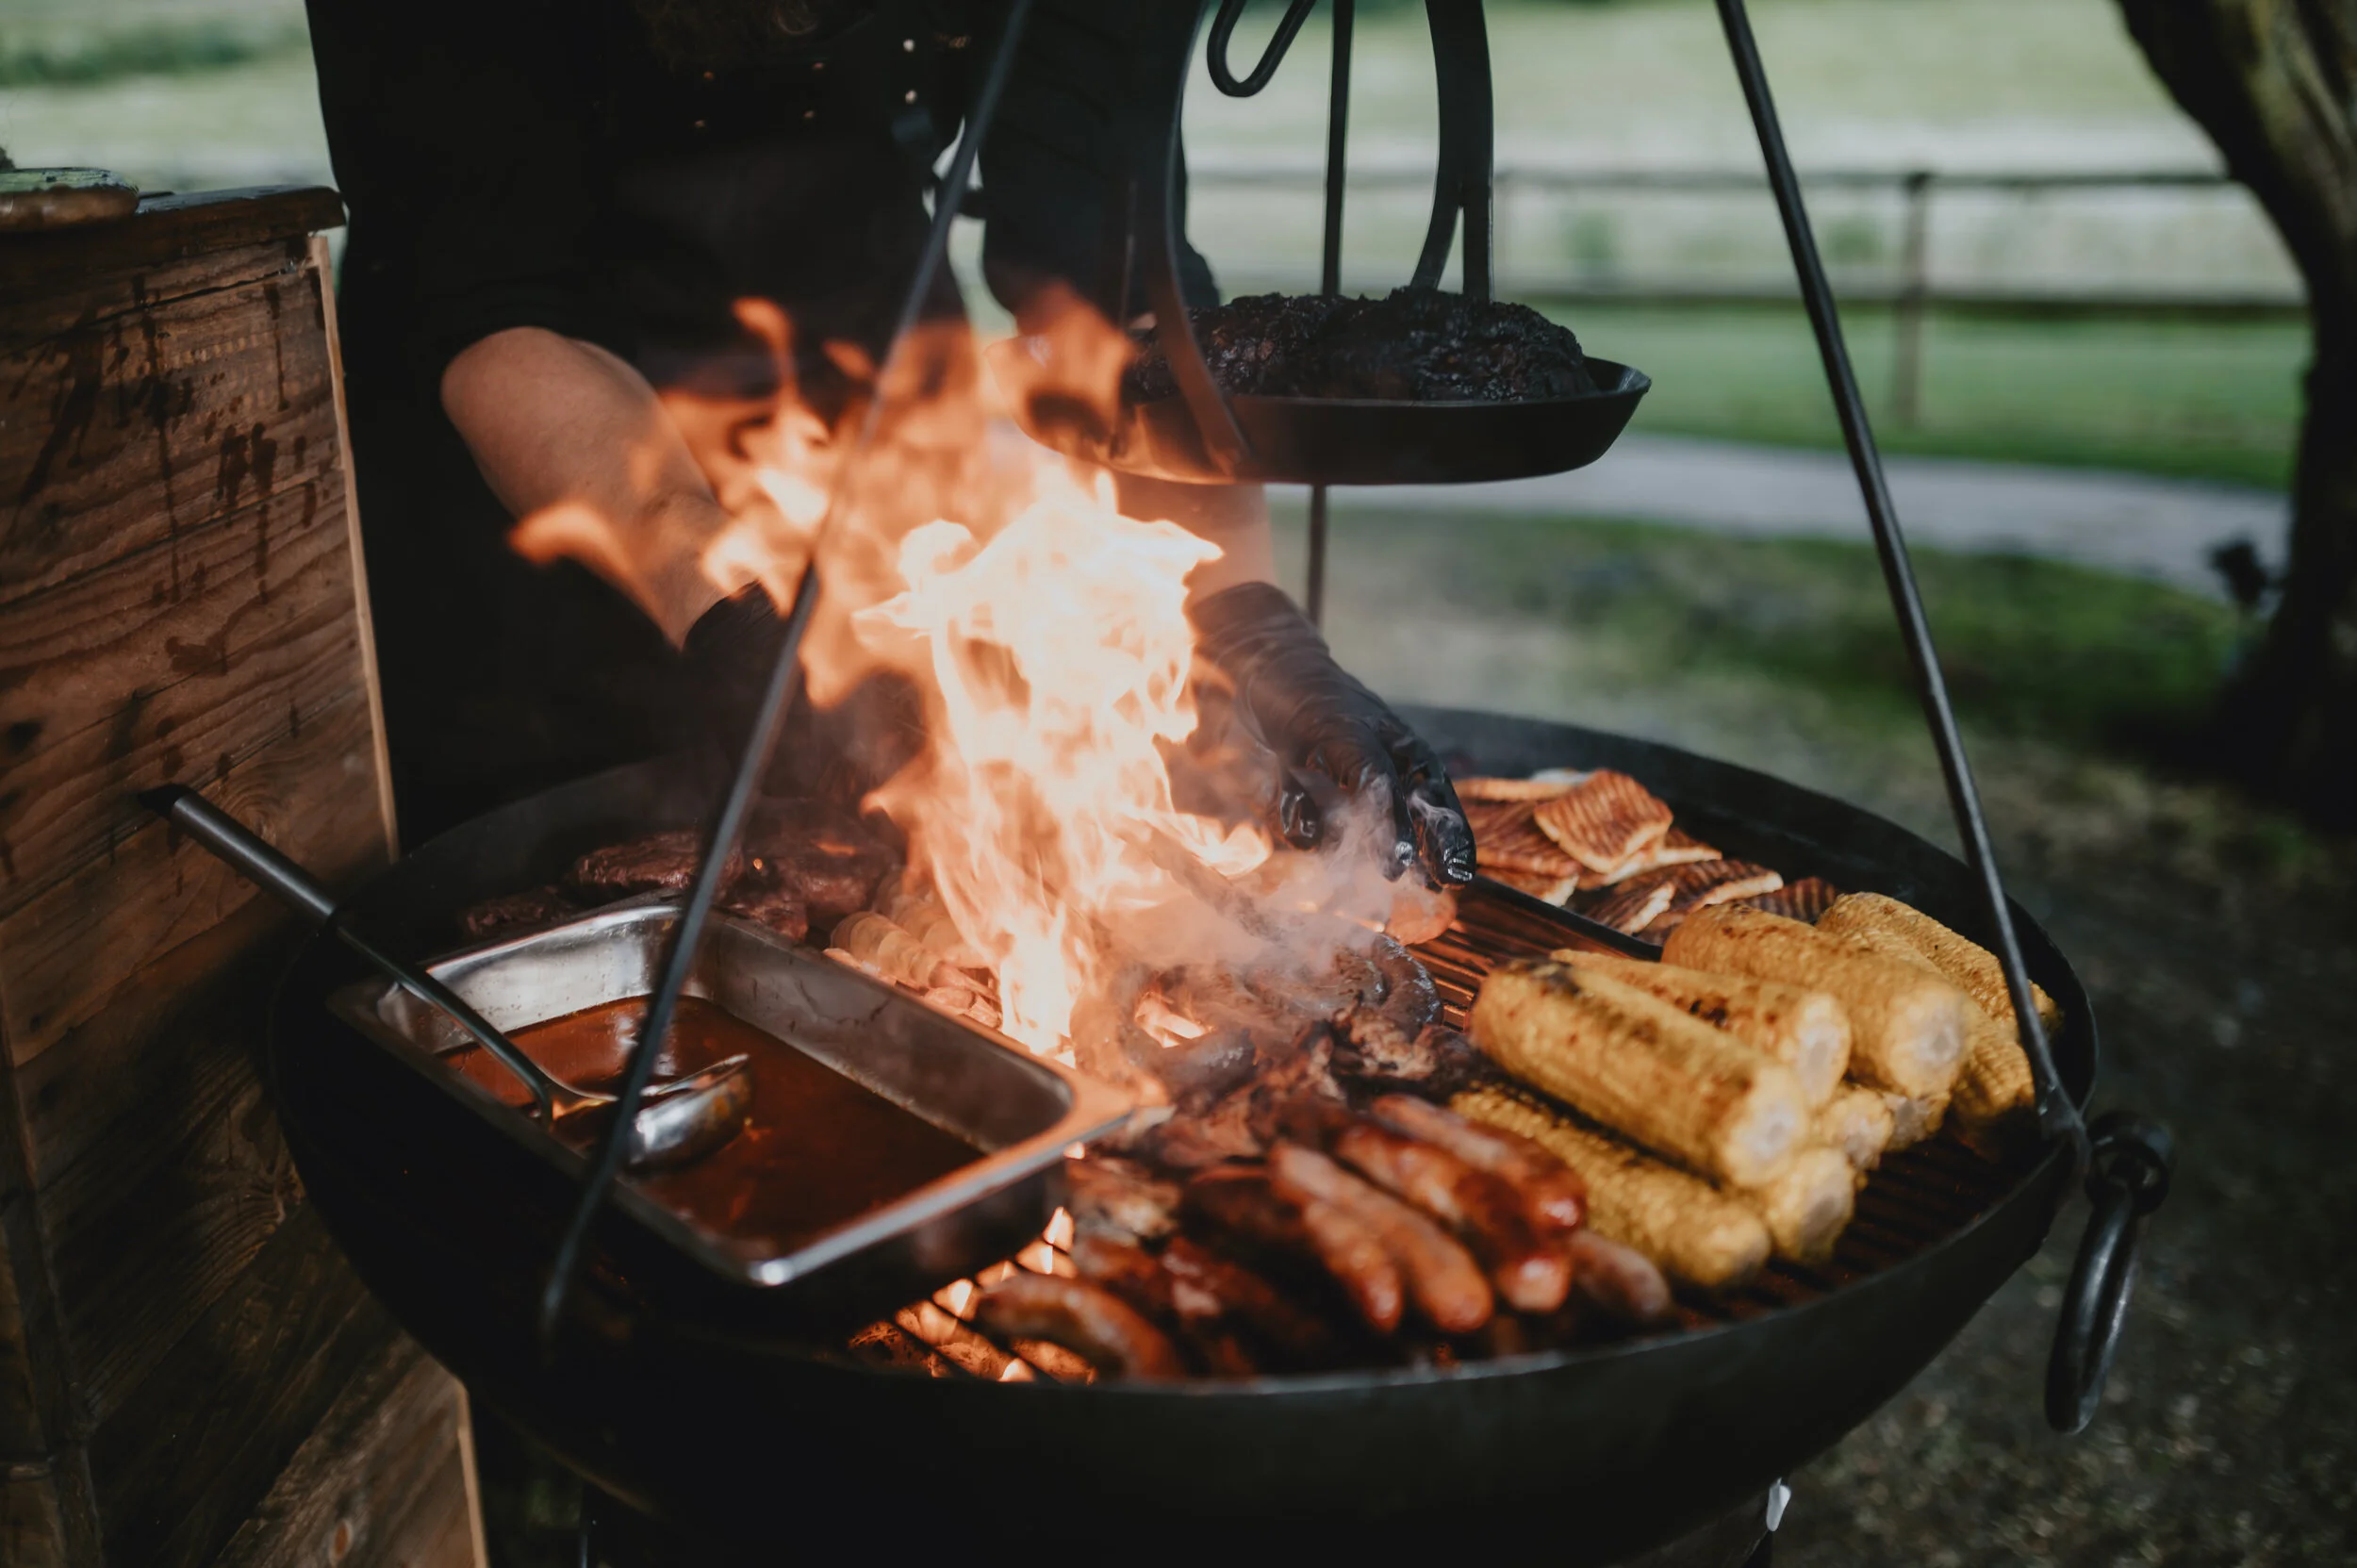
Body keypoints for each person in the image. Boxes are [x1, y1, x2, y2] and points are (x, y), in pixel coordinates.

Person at [304, 0, 1474, 884]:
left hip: (870, 391)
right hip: (544, 479)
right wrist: (740, 617)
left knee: (917, 861)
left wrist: (1247, 617)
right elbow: (490, 305)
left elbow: (1117, 294)